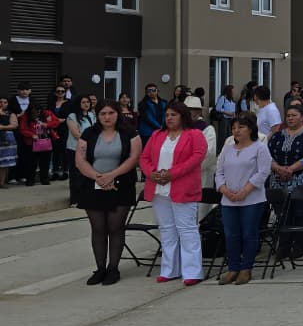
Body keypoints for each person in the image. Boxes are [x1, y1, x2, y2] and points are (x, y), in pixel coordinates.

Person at [139, 104, 209, 285]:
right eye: (167, 115)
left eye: (174, 115)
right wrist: (151, 173)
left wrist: (172, 173)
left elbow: (196, 158)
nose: (169, 118)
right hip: (159, 188)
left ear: (183, 116)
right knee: (166, 229)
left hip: (183, 187)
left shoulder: (195, 135)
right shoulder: (157, 135)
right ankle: (170, 269)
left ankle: (192, 272)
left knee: (187, 230)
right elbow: (144, 158)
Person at [75, 101, 141, 286]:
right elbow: (80, 160)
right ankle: (100, 269)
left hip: (121, 185)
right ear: (97, 115)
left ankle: (113, 268)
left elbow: (134, 158)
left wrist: (112, 175)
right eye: (103, 113)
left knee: (115, 227)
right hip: (93, 185)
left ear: (118, 114)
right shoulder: (89, 133)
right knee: (98, 228)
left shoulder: (130, 133)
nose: (107, 117)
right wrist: (98, 177)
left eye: (111, 113)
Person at [214, 116, 272, 285]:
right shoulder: (227, 149)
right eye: (234, 128)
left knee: (248, 233)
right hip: (229, 199)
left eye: (241, 127)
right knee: (231, 234)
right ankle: (233, 267)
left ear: (250, 129)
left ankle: (246, 268)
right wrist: (224, 189)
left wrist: (246, 190)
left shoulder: (259, 148)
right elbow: (219, 172)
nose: (236, 131)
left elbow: (263, 172)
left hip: (252, 199)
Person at [267, 104, 303, 261]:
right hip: (279, 179)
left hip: (301, 179)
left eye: (294, 115)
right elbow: (268, 155)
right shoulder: (277, 136)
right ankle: (283, 246)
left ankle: (298, 245)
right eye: (288, 116)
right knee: (282, 214)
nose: (291, 118)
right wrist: (279, 168)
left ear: (302, 117)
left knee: (300, 212)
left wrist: (291, 169)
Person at [18, 102, 61, 186]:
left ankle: (44, 179)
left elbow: (56, 122)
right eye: (34, 112)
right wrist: (31, 135)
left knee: (45, 162)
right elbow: (22, 129)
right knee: (31, 163)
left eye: (38, 112)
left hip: (45, 142)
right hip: (31, 143)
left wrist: (47, 124)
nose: (36, 114)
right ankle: (30, 179)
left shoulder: (47, 113)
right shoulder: (25, 116)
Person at [64, 95, 97, 203]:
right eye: (83, 102)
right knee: (76, 174)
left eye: (88, 102)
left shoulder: (92, 114)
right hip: (75, 148)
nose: (86, 104)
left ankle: (86, 196)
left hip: (89, 148)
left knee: (88, 173)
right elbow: (76, 133)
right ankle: (75, 199)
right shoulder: (72, 116)